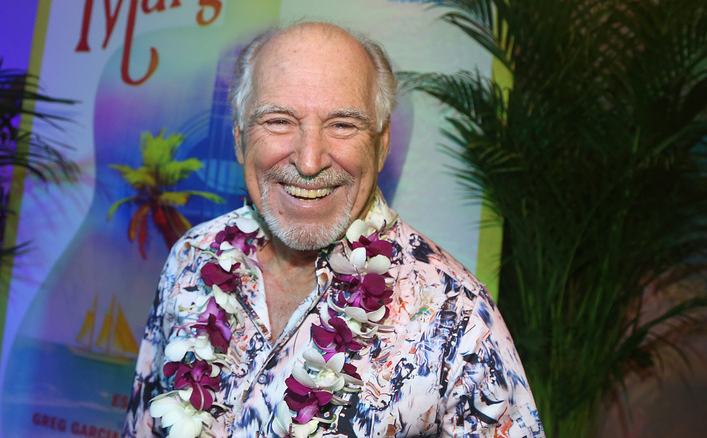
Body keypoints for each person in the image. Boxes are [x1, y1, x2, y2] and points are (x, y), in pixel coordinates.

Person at [123, 22, 543, 438]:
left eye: (343, 124)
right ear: (238, 139)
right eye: (279, 121)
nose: (309, 161)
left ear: (381, 146)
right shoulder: (193, 258)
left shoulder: (456, 314)